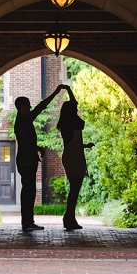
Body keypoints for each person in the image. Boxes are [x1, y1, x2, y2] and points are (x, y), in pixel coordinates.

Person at [14, 84, 68, 231]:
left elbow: (41, 106)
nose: (31, 106)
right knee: (28, 192)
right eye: (28, 105)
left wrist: (55, 92)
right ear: (22, 107)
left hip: (27, 160)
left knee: (29, 191)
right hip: (26, 162)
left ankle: (28, 221)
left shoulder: (25, 119)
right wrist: (38, 149)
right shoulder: (22, 122)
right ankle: (27, 223)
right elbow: (25, 144)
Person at [57, 93, 95, 231]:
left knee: (74, 190)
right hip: (74, 156)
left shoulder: (66, 123)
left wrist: (84, 145)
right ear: (71, 110)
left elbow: (72, 143)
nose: (77, 109)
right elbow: (74, 103)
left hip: (73, 154)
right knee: (74, 190)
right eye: (75, 108)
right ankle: (69, 219)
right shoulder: (71, 121)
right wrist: (68, 90)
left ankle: (69, 218)